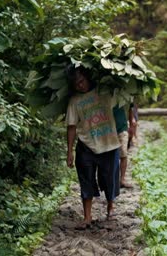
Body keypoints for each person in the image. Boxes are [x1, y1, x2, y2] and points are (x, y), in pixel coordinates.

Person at [65, 66, 121, 230]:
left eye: (81, 81)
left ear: (88, 78)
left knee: (109, 179)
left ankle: (111, 207)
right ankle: (87, 217)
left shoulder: (105, 91)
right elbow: (71, 127)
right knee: (86, 180)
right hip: (86, 145)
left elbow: (122, 89)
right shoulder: (74, 101)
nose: (80, 86)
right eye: (76, 84)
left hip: (109, 144)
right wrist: (69, 151)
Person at [113, 103, 134, 188]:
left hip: (122, 128)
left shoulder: (126, 95)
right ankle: (111, 180)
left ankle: (122, 179)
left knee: (123, 154)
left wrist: (131, 126)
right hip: (108, 129)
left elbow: (130, 110)